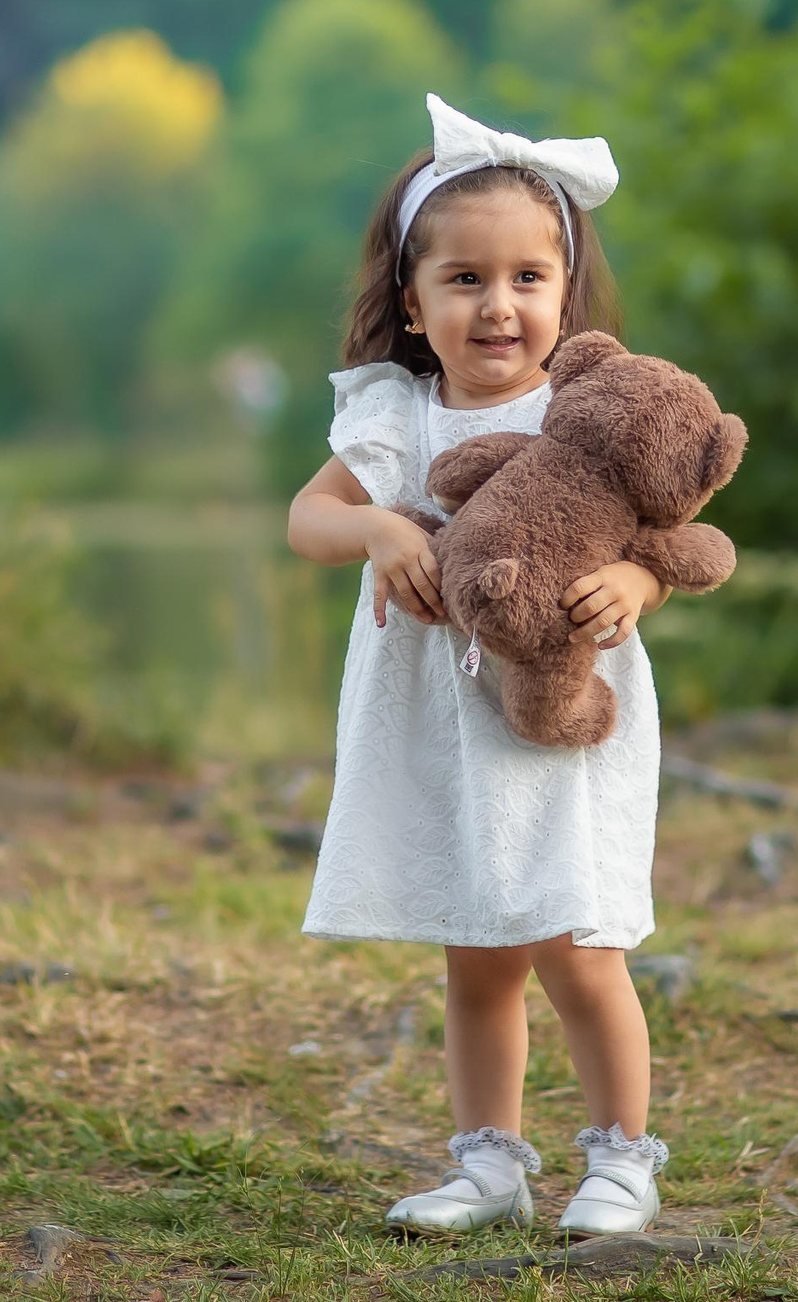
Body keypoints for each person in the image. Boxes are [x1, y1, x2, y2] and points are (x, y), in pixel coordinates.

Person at [286, 92, 674, 1238]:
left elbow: (674, 540)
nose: (496, 306)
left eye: (525, 279)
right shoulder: (393, 416)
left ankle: (619, 1157)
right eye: (463, 280)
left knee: (574, 943)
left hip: (554, 717)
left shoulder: (589, 414)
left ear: (565, 292)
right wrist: (379, 529)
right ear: (412, 301)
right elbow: (307, 522)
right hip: (434, 722)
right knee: (479, 951)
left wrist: (637, 585)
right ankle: (489, 1164)